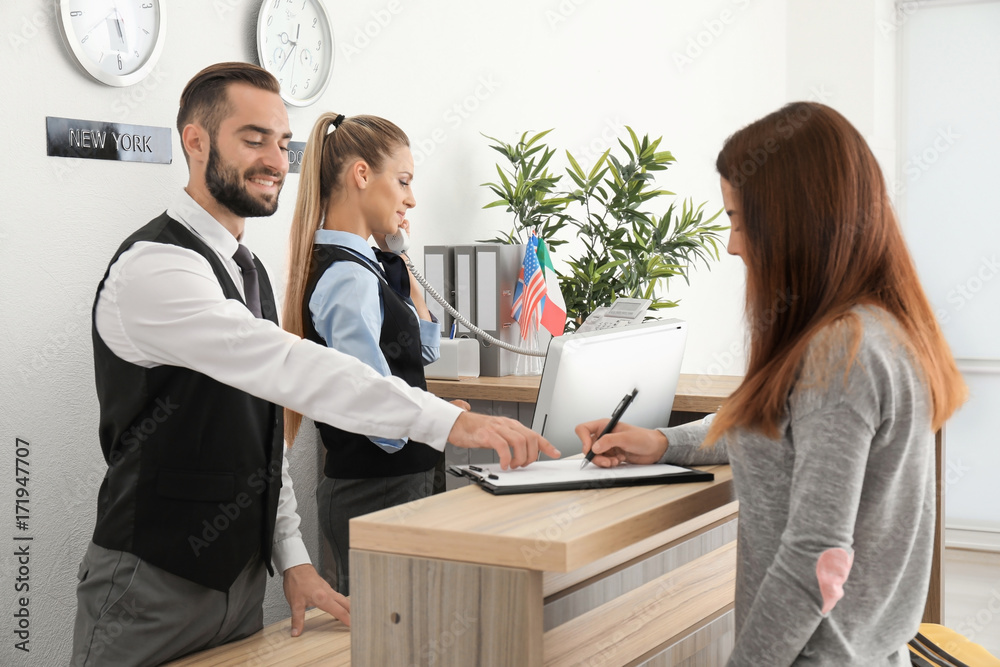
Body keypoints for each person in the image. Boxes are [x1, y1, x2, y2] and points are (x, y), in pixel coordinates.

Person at [72, 62, 558, 667]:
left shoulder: (247, 271)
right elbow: (294, 367)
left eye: (282, 142)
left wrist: (293, 559)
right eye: (253, 139)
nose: (276, 159)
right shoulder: (156, 267)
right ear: (195, 143)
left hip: (240, 589)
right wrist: (446, 421)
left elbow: (261, 439)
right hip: (151, 586)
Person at [575, 102, 966, 666]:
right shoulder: (879, 328)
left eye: (737, 220)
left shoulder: (839, 354)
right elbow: (785, 432)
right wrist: (666, 443)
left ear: (794, 221)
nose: (732, 244)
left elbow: (816, 557)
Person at [281, 112, 456, 595]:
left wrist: (403, 267)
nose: (411, 198)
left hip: (391, 484)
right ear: (362, 175)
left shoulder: (365, 268)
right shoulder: (347, 277)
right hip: (378, 488)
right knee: (389, 638)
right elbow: (375, 410)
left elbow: (420, 353)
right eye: (403, 181)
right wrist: (432, 422)